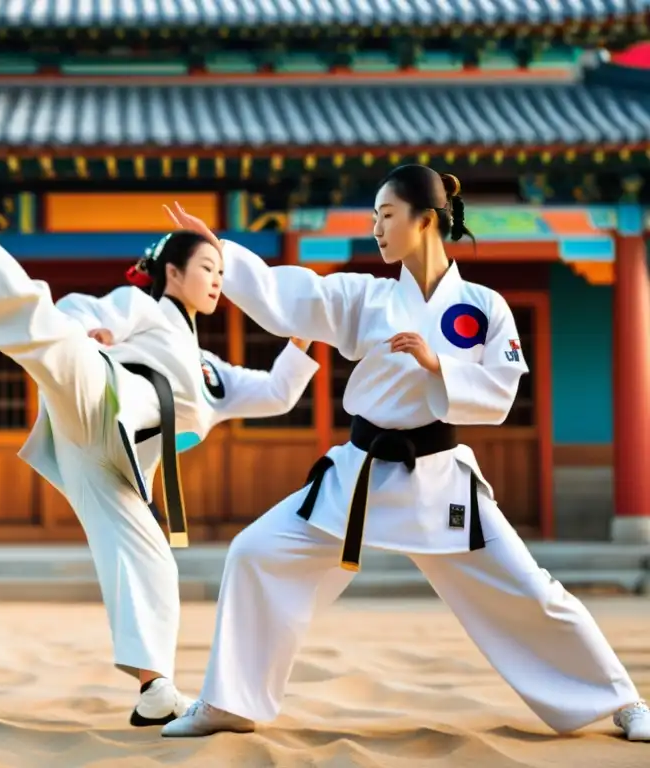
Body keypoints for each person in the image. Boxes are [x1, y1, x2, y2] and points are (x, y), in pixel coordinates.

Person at [158, 165, 650, 741]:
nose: (376, 229)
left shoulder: (484, 306)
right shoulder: (366, 297)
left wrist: (438, 364)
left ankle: (624, 701)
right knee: (255, 553)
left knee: (531, 589)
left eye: (386, 216)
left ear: (426, 220)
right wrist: (224, 255)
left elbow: (500, 393)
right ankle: (230, 702)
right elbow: (293, 298)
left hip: (441, 484)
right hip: (359, 476)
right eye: (372, 218)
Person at [0, 146, 320, 727]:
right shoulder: (143, 305)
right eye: (207, 269)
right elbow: (86, 308)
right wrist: (92, 330)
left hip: (125, 466)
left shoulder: (216, 374)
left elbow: (280, 392)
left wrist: (309, 329)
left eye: (220, 273)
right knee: (44, 328)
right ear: (173, 274)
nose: (216, 280)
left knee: (152, 559)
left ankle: (153, 686)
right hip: (104, 396)